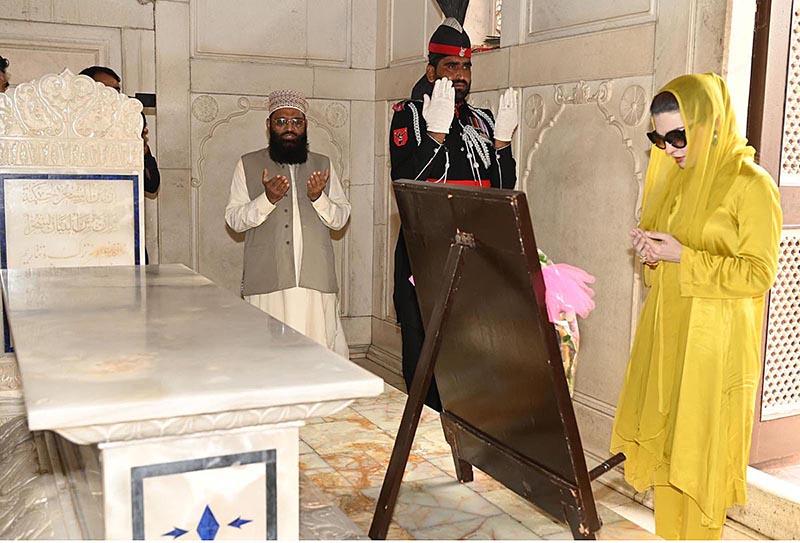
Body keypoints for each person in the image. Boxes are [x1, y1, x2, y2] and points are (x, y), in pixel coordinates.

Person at [610, 73, 782, 540]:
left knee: (700, 461)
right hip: (670, 339)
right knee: (669, 456)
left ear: (709, 124)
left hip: (714, 348)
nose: (669, 149)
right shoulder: (679, 180)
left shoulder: (752, 185)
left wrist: (683, 256)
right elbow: (664, 262)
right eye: (659, 139)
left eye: (678, 136)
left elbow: (758, 274)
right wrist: (653, 254)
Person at [390, 4, 518, 411]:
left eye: (465, 68)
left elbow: (500, 190)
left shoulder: (482, 119)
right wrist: (435, 134)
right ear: (431, 72)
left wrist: (502, 145)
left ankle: (465, 424)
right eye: (450, 67)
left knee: (471, 349)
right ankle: (425, 428)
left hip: (474, 254)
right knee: (425, 349)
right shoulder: (408, 116)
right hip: (426, 251)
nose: (460, 77)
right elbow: (409, 186)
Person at [225, 89, 351, 358]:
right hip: (268, 282)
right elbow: (234, 220)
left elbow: (340, 219)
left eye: (297, 121)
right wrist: (267, 199)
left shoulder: (323, 164)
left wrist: (319, 198)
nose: (289, 128)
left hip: (314, 283)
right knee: (269, 358)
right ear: (269, 125)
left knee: (319, 355)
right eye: (282, 121)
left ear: (305, 126)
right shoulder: (248, 164)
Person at [81, 65, 160, 262]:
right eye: (106, 90)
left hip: (123, 233)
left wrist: (141, 149)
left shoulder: (129, 121)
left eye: (116, 91)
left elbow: (152, 185)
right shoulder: (70, 127)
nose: (113, 96)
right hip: (81, 233)